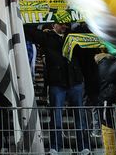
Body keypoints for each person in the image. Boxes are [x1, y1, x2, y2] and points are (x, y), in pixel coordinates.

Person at [23, 12, 89, 155]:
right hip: (57, 83)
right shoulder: (47, 37)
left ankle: (84, 147)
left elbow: (88, 30)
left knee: (80, 116)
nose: (64, 26)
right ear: (54, 24)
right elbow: (27, 31)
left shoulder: (74, 36)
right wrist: (33, 16)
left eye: (66, 23)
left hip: (76, 81)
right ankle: (55, 148)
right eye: (61, 23)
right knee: (56, 117)